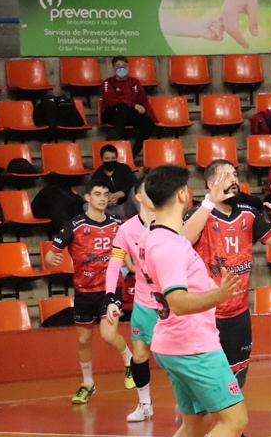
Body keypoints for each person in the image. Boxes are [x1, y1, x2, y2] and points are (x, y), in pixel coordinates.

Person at [139, 164, 247, 437]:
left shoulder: (154, 234)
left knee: (195, 425)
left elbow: (184, 238)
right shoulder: (169, 246)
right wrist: (219, 295)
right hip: (193, 347)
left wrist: (210, 201)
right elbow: (178, 301)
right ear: (182, 195)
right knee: (234, 421)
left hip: (173, 344)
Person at [181, 160, 271, 390]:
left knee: (237, 379)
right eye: (226, 176)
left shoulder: (249, 214)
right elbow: (183, 240)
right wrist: (209, 202)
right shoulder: (200, 214)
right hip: (207, 313)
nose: (233, 180)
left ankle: (232, 414)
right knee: (206, 379)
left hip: (239, 314)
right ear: (211, 184)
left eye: (234, 175)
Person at [44, 178, 132, 404]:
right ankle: (88, 384)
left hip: (111, 289)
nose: (102, 199)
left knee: (108, 334)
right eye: (97, 194)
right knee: (84, 340)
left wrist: (133, 266)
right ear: (87, 197)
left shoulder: (118, 224)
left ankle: (129, 361)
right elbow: (50, 254)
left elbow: (128, 252)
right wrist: (51, 258)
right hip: (84, 291)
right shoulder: (74, 225)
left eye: (105, 195)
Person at [104, 180, 158, 422]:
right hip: (144, 303)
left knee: (177, 357)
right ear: (138, 196)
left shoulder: (171, 224)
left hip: (172, 303)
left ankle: (185, 403)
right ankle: (145, 405)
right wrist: (110, 297)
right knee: (139, 355)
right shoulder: (126, 230)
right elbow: (115, 264)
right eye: (148, 190)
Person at [102, 56, 156, 158]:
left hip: (128, 114)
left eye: (124, 66)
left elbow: (143, 101)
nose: (121, 68)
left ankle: (133, 153)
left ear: (128, 67)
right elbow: (110, 101)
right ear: (113, 67)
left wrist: (152, 118)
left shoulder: (134, 82)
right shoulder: (107, 82)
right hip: (111, 113)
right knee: (122, 106)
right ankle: (118, 137)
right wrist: (133, 105)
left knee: (148, 123)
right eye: (118, 66)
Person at [92, 144, 138, 219]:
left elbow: (134, 184)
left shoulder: (124, 169)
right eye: (107, 158)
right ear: (102, 159)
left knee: (136, 191)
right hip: (107, 209)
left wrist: (120, 194)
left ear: (116, 158)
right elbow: (94, 192)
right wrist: (106, 198)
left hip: (126, 207)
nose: (110, 161)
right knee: (86, 205)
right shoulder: (98, 175)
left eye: (113, 158)